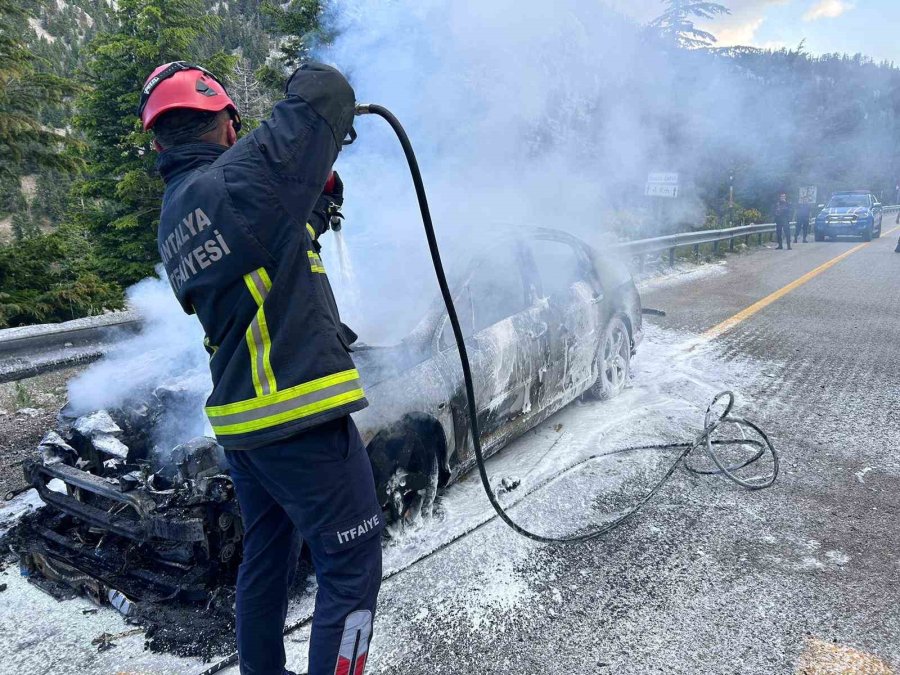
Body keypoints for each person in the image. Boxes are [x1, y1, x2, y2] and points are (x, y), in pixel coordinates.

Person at [138, 61, 382, 675]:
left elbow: (266, 256)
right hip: (299, 417)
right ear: (225, 125)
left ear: (160, 141)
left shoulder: (178, 214)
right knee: (351, 573)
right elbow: (325, 91)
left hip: (246, 428)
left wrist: (313, 207)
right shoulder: (240, 180)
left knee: (266, 567)